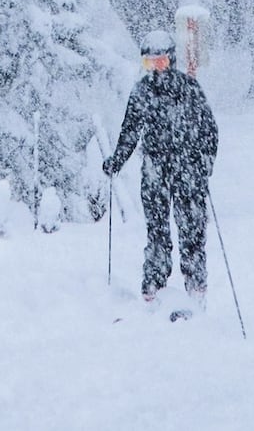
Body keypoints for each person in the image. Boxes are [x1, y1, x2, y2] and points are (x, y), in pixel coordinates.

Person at [102, 30, 218, 306]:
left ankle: (196, 286)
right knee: (157, 229)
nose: (156, 70)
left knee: (192, 229)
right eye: (149, 64)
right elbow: (130, 130)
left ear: (172, 60)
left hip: (188, 168)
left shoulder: (189, 89)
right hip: (155, 168)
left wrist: (204, 164)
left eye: (161, 62)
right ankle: (154, 284)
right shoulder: (142, 91)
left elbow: (209, 131)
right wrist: (117, 159)